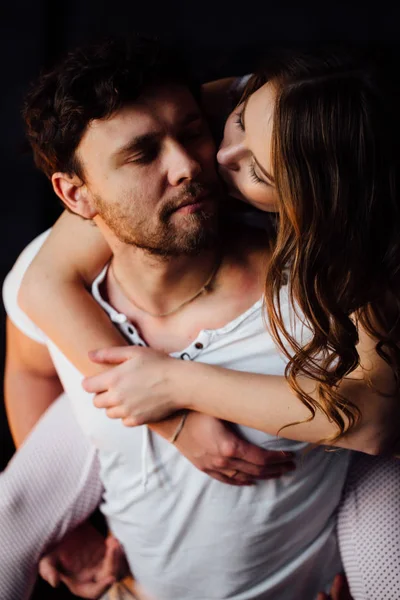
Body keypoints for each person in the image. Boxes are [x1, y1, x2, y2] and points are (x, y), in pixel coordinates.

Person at [17, 41, 400, 599]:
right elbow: (41, 285)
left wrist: (175, 382)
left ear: (304, 204)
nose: (209, 162)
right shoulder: (231, 112)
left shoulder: (354, 260)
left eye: (258, 171)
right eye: (233, 123)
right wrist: (174, 424)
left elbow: (373, 422)